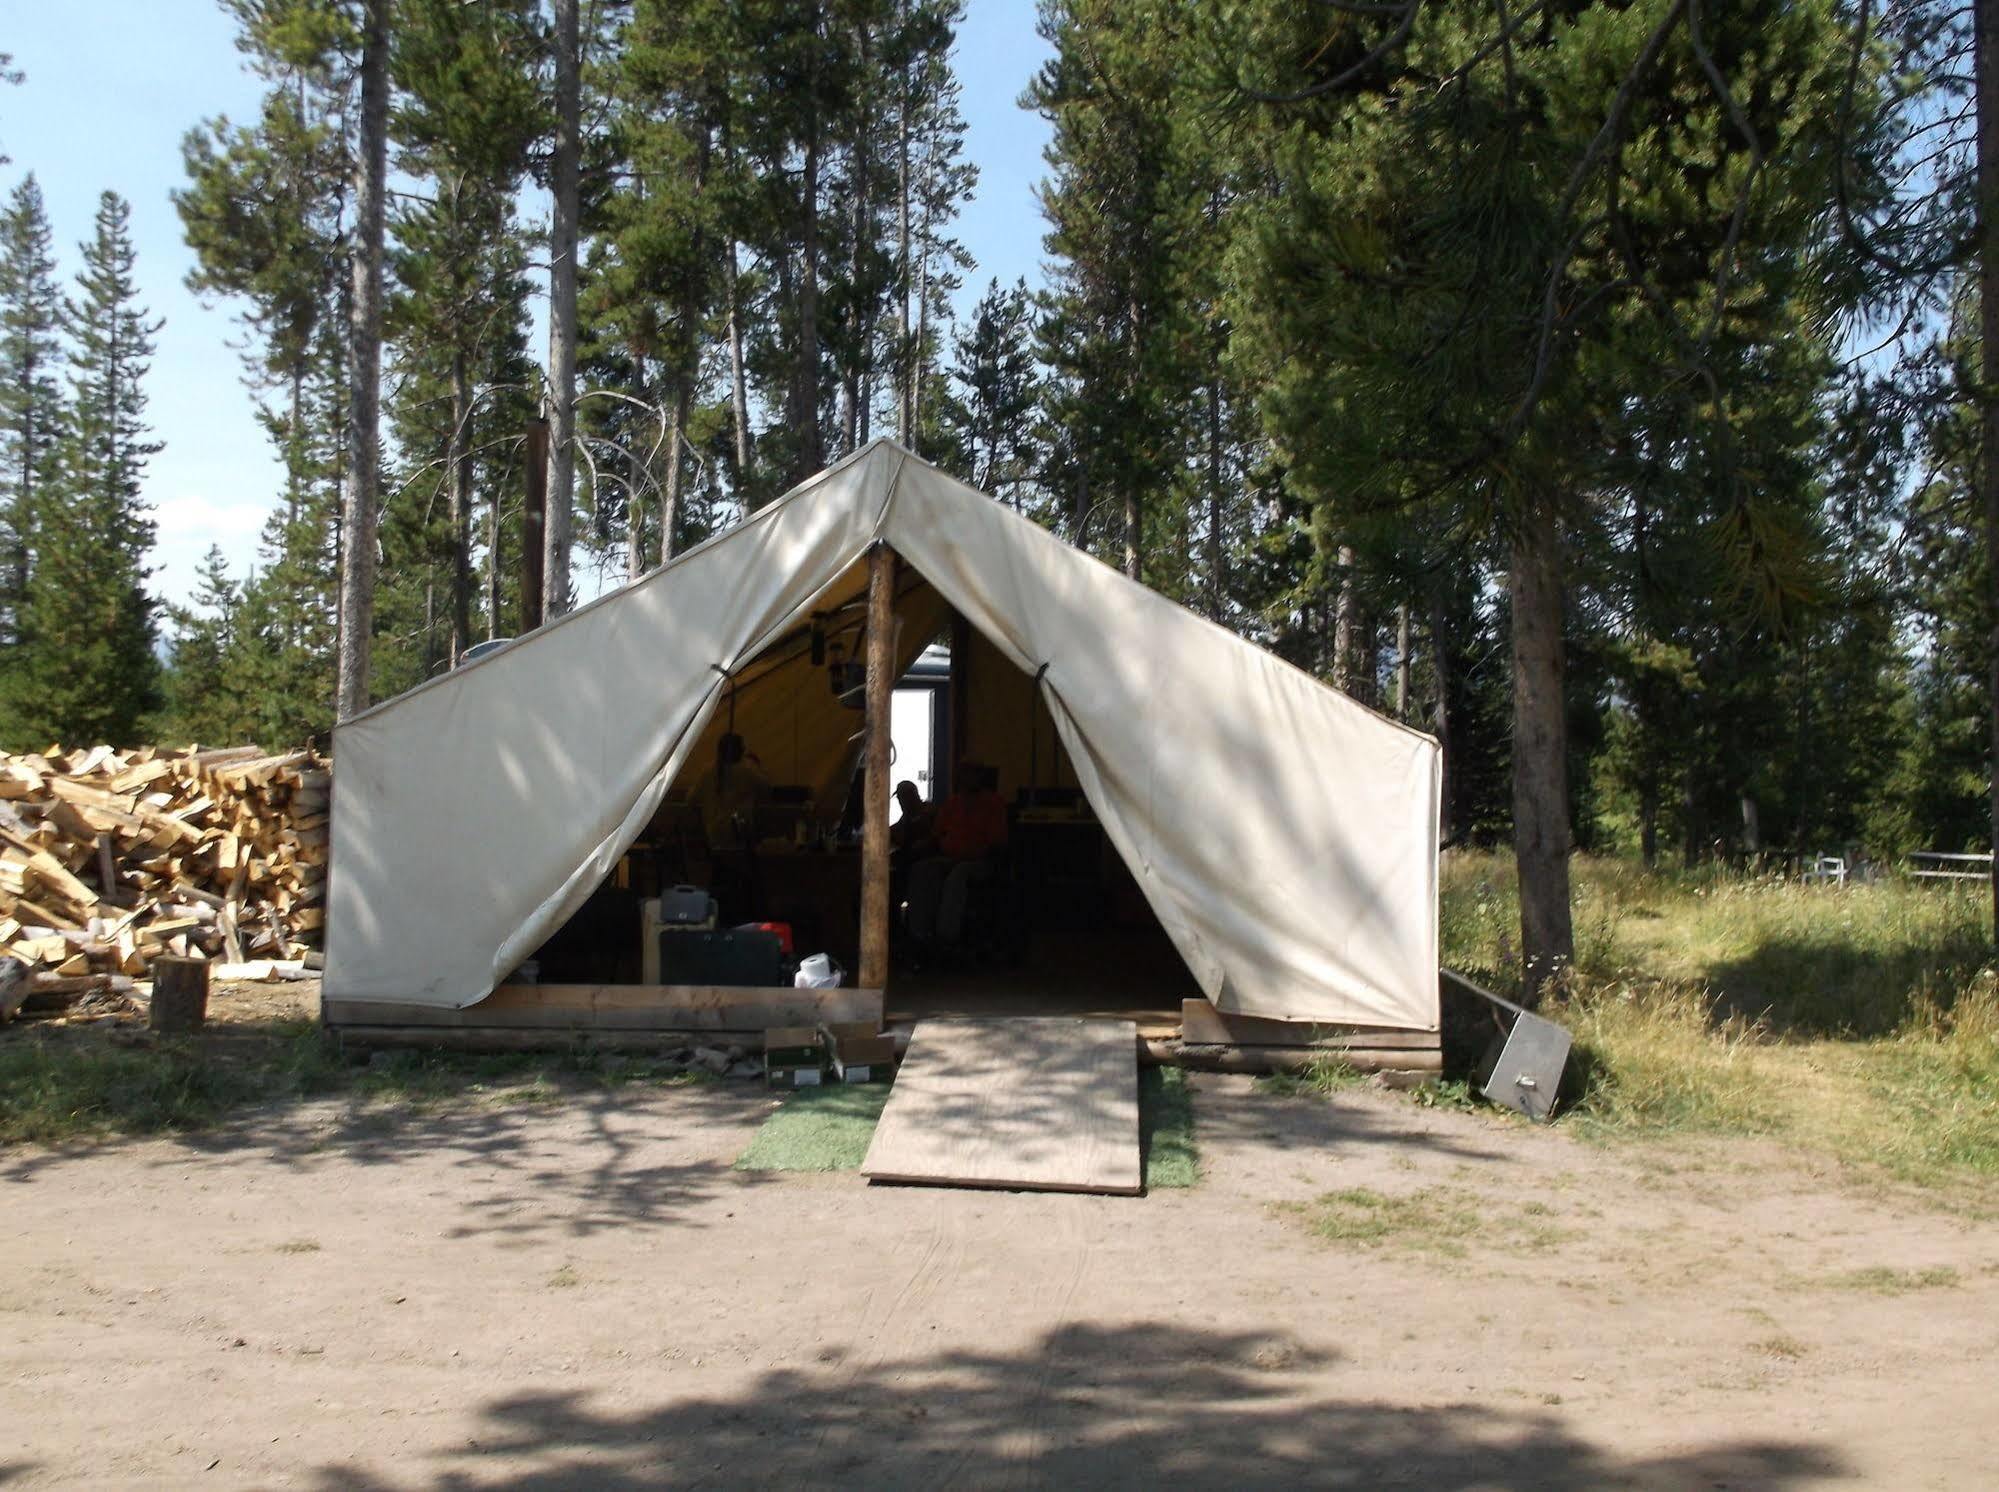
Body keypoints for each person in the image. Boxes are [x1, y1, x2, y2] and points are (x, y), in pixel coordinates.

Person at [905, 765, 1008, 948]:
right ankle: (919, 934)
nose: (967, 779)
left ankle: (947, 936)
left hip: (979, 862)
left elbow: (996, 842)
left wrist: (974, 852)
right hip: (949, 858)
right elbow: (936, 835)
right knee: (921, 869)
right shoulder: (952, 804)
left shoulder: (993, 804)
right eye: (963, 775)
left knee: (958, 874)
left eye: (972, 774)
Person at [690, 732, 770, 849]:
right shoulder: (748, 771)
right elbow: (767, 790)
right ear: (741, 751)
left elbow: (691, 799)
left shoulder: (707, 773)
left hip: (714, 836)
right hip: (739, 837)